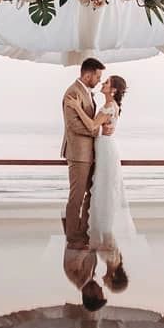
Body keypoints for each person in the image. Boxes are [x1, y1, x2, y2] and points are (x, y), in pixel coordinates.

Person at [68, 74, 136, 250]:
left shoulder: (108, 106)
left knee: (103, 188)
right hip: (106, 147)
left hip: (105, 149)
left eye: (106, 82)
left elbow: (92, 126)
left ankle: (103, 230)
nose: (103, 83)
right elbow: (98, 126)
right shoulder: (112, 106)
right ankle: (102, 230)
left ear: (113, 90)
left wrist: (77, 107)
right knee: (103, 188)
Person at [61, 57, 105, 249]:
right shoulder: (73, 92)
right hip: (78, 153)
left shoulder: (85, 92)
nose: (99, 81)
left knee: (90, 194)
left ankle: (83, 231)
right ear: (87, 75)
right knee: (76, 196)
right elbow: (72, 124)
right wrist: (95, 130)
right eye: (98, 76)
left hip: (88, 153)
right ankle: (72, 237)